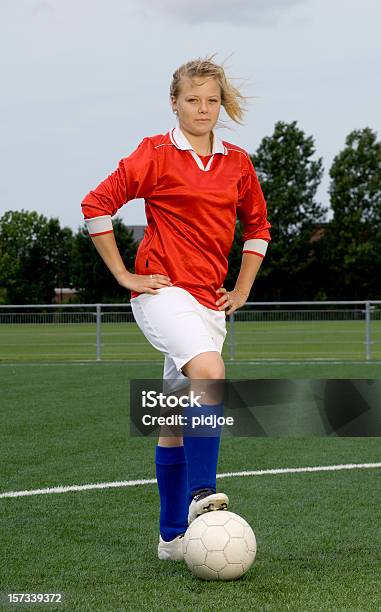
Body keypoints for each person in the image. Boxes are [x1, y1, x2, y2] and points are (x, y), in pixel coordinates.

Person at [81, 56, 271, 562]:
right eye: (193, 100)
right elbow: (96, 205)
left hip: (210, 303)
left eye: (212, 100)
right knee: (210, 372)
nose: (203, 109)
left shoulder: (237, 162)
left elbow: (258, 230)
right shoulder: (155, 153)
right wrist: (126, 275)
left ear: (220, 103)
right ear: (175, 103)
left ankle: (169, 538)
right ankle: (202, 495)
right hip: (162, 293)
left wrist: (243, 288)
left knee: (171, 417)